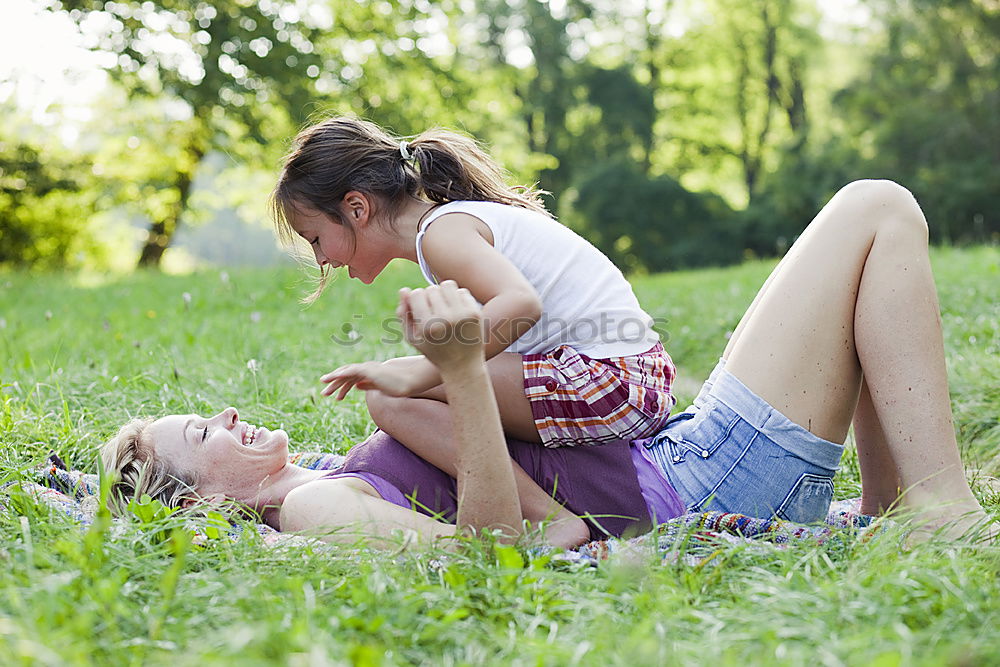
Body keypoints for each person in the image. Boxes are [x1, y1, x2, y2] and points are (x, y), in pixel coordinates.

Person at [269, 117, 676, 539]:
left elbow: (520, 305)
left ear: (357, 208)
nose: (319, 259)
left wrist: (423, 373)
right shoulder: (448, 227)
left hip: (609, 383)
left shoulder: (442, 235)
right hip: (627, 378)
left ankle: (547, 520)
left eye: (315, 239)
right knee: (399, 393)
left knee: (389, 399)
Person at [101, 283, 680, 548]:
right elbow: (483, 556)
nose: (227, 412)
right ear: (204, 503)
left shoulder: (325, 479)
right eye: (204, 432)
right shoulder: (309, 506)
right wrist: (460, 371)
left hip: (655, 451)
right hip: (669, 483)